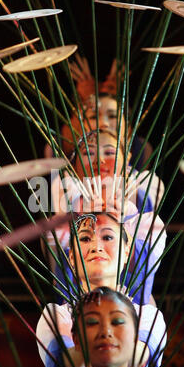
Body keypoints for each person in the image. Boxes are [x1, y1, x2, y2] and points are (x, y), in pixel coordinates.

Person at [36, 213, 167, 367]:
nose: (96, 247)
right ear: (72, 258)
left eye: (107, 237)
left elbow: (139, 357)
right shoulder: (55, 316)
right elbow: (65, 365)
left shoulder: (148, 316)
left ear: (126, 253)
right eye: (85, 238)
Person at [47, 129, 166, 305]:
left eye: (109, 152)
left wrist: (119, 223)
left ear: (127, 159)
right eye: (88, 153)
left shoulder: (145, 221)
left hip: (132, 314)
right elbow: (66, 274)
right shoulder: (64, 212)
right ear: (75, 164)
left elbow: (142, 273)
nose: (99, 161)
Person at [35, 287, 175, 367]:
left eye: (117, 322)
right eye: (92, 322)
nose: (105, 331)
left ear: (135, 337)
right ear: (76, 339)